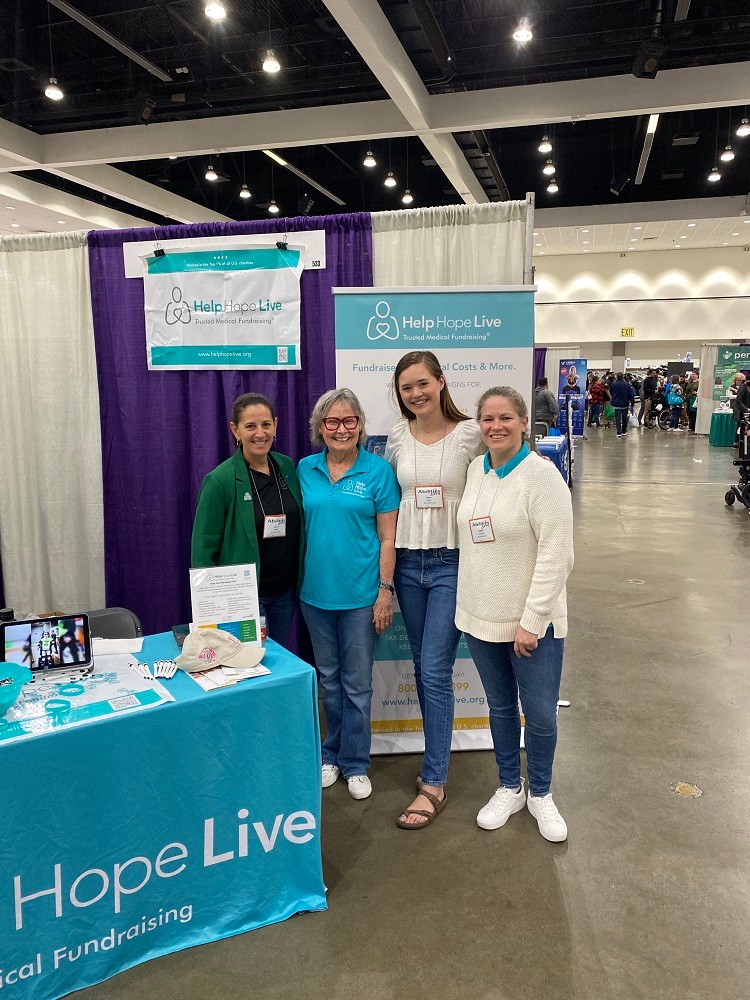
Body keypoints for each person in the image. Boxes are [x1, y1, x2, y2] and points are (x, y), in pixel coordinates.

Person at [455, 387, 573, 842]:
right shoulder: (475, 471)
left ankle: (541, 792)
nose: (495, 426)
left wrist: (532, 619)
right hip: (480, 618)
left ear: (524, 423)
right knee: (501, 707)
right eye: (487, 419)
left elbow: (557, 555)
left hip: (532, 624)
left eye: (505, 418)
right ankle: (510, 786)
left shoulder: (542, 477)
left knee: (540, 713)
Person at [385, 351, 483, 829]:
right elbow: (390, 499)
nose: (416, 393)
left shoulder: (470, 435)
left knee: (435, 668)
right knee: (425, 669)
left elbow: (490, 492)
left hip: (452, 563)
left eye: (422, 383)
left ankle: (434, 781)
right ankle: (437, 754)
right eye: (406, 388)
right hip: (407, 562)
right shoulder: (399, 437)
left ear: (441, 382)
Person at [298, 388, 400, 802]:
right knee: (329, 682)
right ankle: (331, 756)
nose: (341, 429)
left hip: (361, 598)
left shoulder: (378, 472)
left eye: (349, 421)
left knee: (357, 685)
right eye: (332, 422)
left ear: (360, 426)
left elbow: (388, 536)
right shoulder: (304, 469)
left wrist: (384, 591)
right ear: (320, 428)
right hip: (314, 596)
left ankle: (356, 763)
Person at [191, 392, 305, 645]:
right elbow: (203, 548)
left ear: (275, 425)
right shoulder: (219, 480)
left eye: (266, 424)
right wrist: (211, 605)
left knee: (276, 662)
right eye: (250, 426)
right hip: (243, 597)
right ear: (235, 430)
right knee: (248, 664)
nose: (260, 433)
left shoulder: (286, 467)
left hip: (284, 593)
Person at [609, 373, 636, 438]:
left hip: (616, 404)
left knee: (618, 418)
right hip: (625, 403)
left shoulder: (613, 385)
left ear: (616, 377)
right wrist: (632, 403)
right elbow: (630, 394)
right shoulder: (627, 385)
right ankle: (624, 431)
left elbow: (611, 392)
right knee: (624, 418)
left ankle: (619, 432)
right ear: (622, 377)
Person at [731, 374, 750, 447]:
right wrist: (746, 409)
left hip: (746, 409)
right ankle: (736, 442)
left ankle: (742, 442)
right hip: (740, 410)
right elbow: (738, 401)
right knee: (740, 425)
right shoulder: (742, 388)